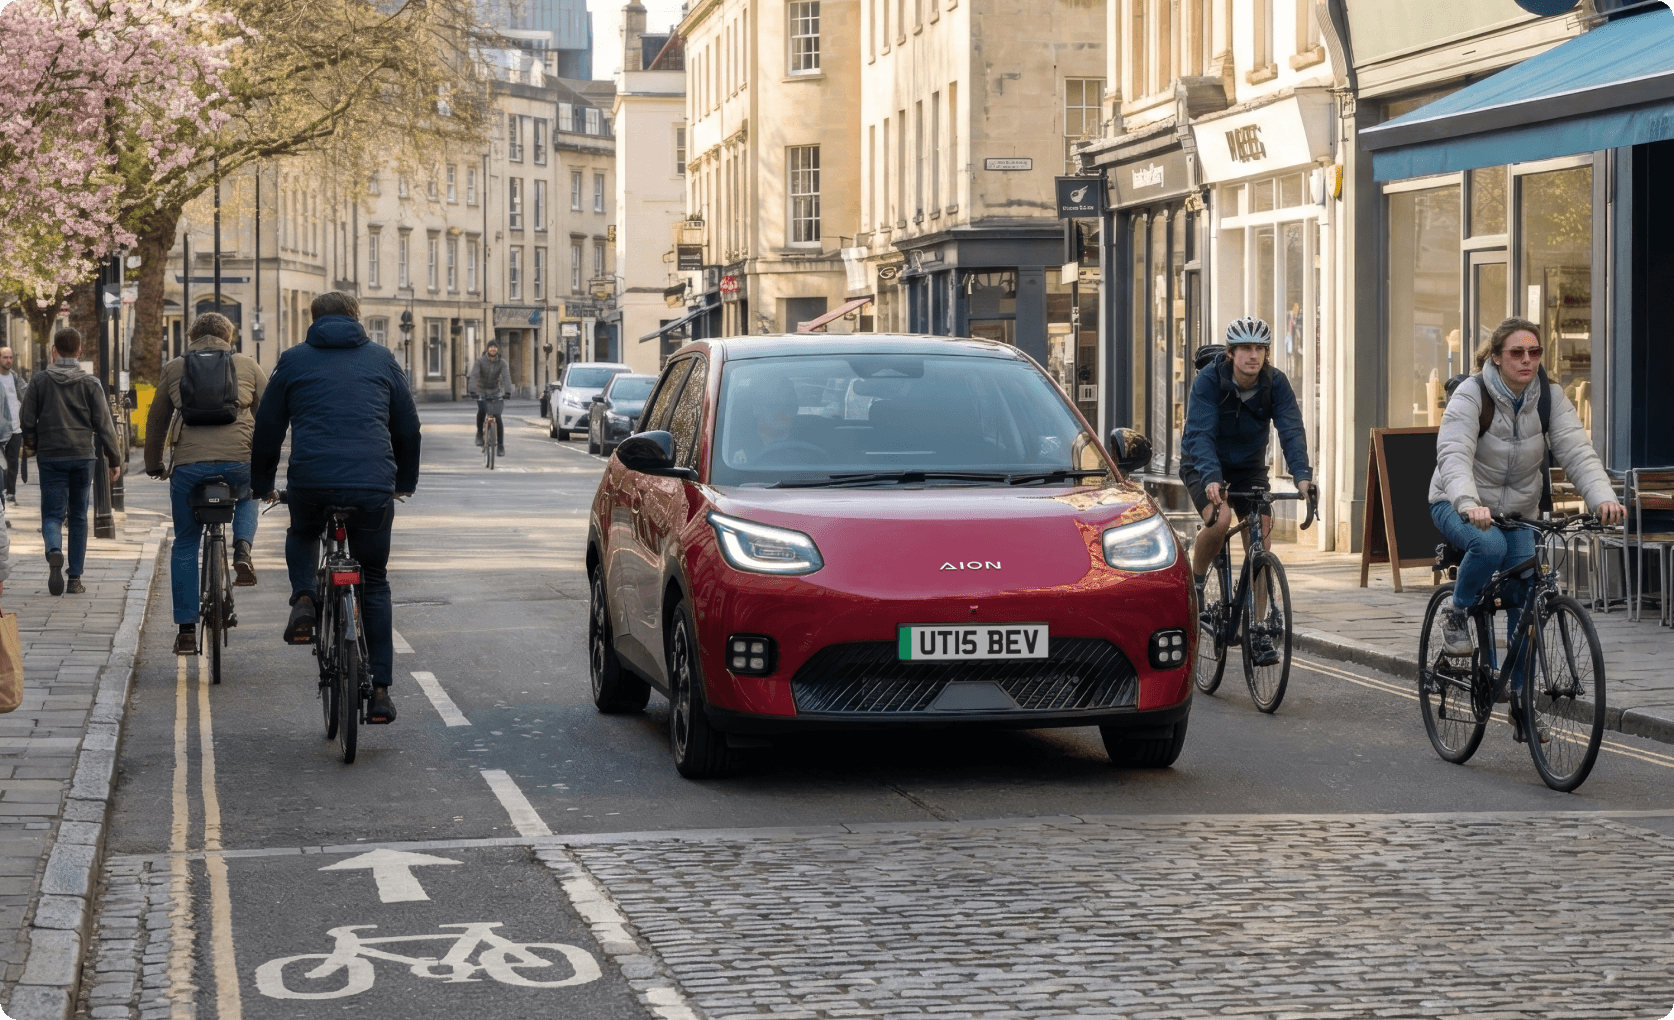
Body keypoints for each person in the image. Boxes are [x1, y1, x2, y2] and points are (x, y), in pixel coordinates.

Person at [1428, 317, 1624, 738]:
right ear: (1496, 358)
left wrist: (1602, 498)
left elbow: (1577, 451)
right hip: (1455, 503)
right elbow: (1453, 453)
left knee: (1525, 599)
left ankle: (1522, 705)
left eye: (1534, 352)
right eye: (1517, 353)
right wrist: (1467, 503)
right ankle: (1458, 613)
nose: (1527, 360)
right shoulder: (1472, 394)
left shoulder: (1549, 397)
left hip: (1519, 512)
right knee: (1490, 547)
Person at [252, 292, 420, 725]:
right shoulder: (383, 359)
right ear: (356, 318)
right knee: (375, 580)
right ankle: (380, 690)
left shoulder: (292, 360)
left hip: (311, 481)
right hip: (371, 486)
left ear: (313, 320)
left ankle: (305, 597)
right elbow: (408, 427)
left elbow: (269, 426)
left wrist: (263, 484)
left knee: (304, 532)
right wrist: (403, 482)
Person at [1178, 316, 1313, 667]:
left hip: (1249, 469)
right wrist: (1210, 477)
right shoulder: (1209, 381)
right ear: (1231, 352)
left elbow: (1291, 430)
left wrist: (1302, 477)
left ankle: (1257, 629)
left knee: (1261, 541)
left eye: (1259, 349)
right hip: (1202, 462)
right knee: (1221, 518)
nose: (1253, 356)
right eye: (1246, 349)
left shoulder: (1275, 383)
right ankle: (1195, 584)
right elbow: (1200, 433)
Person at [145, 312, 268, 655]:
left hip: (189, 466)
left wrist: (154, 464)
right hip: (238, 461)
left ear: (191, 337)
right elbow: (269, 414)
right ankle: (242, 548)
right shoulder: (246, 364)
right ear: (229, 336)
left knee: (185, 542)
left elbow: (157, 421)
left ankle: (186, 630)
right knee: (248, 495)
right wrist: (266, 467)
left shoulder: (174, 367)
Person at [18, 328, 122, 596]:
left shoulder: (39, 381)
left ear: (54, 351)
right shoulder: (91, 383)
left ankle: (54, 550)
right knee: (78, 516)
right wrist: (114, 458)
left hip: (51, 456)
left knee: (52, 514)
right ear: (79, 351)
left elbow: (27, 420)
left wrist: (32, 446)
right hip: (82, 456)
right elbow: (104, 425)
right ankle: (75, 578)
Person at [470, 342, 512, 455]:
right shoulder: (480, 361)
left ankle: (501, 445)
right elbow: (474, 375)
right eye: (491, 347)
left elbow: (506, 376)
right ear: (487, 349)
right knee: (482, 410)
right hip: (481, 390)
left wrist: (508, 391)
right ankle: (479, 433)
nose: (493, 349)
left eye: (495, 347)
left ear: (497, 350)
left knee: (497, 417)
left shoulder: (502, 363)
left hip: (495, 391)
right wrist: (472, 390)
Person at [0, 347, 23, 504]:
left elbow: (26, 393)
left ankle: (11, 492)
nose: (8, 360)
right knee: (2, 464)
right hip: (1, 430)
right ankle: (3, 489)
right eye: (5, 357)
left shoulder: (15, 378)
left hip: (16, 428)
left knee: (13, 462)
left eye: (10, 357)